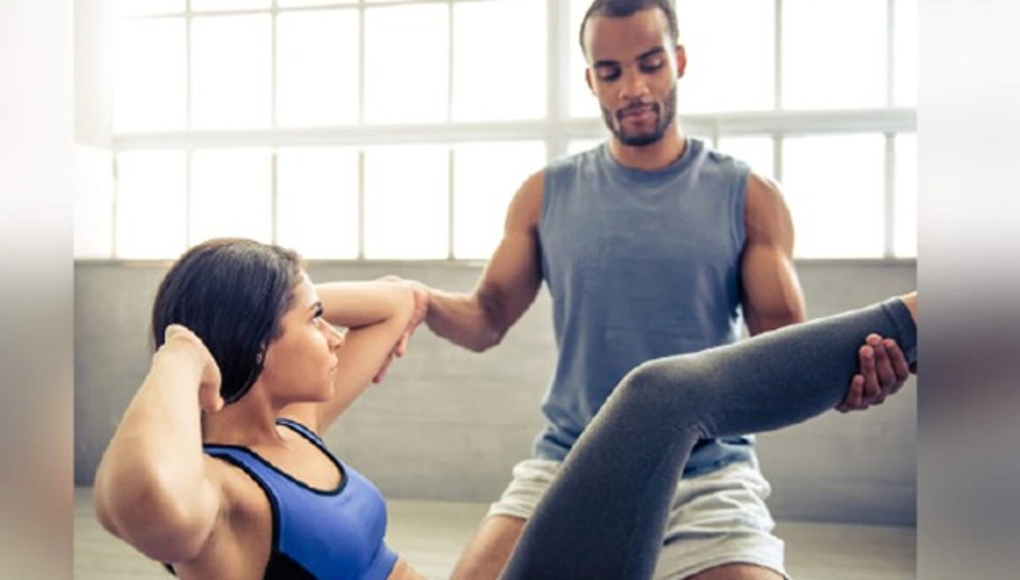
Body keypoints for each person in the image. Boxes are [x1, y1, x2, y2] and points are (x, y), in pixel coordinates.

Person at [399, 1, 914, 579]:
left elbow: (784, 347)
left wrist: (850, 380)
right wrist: (419, 299)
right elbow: (486, 318)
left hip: (708, 472)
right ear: (591, 79)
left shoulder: (748, 196)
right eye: (612, 71)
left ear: (679, 61)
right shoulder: (544, 194)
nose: (633, 89)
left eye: (650, 64)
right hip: (569, 460)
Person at [91, 237, 917, 580]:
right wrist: (184, 348)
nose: (334, 331)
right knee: (660, 396)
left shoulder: (292, 431)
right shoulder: (223, 495)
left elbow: (396, 302)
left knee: (662, 398)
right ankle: (924, 319)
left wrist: (283, 292)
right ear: (258, 348)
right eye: (312, 319)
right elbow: (135, 501)